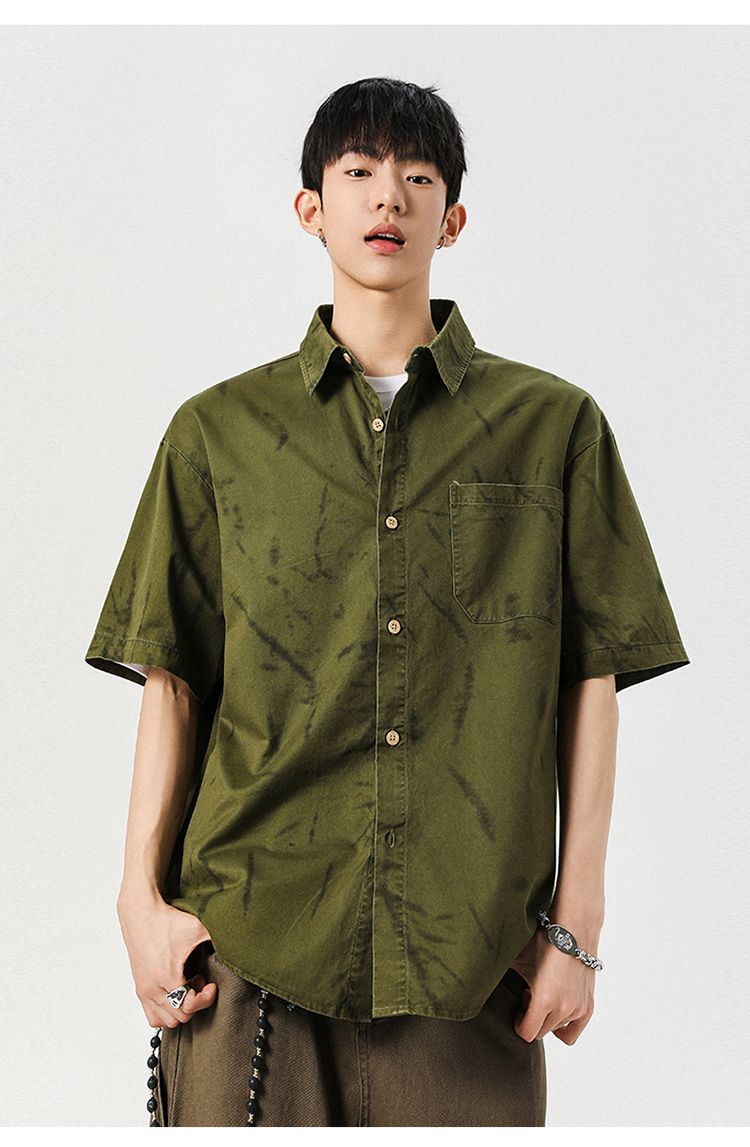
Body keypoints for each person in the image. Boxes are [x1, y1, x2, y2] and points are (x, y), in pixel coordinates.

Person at [84, 77, 690, 1127]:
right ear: (310, 207)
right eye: (359, 170)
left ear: (453, 219)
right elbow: (172, 678)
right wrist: (138, 899)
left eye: (417, 176)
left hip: (473, 961)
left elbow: (591, 675)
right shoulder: (217, 433)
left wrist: (577, 925)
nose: (388, 197)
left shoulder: (553, 429)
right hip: (249, 947)